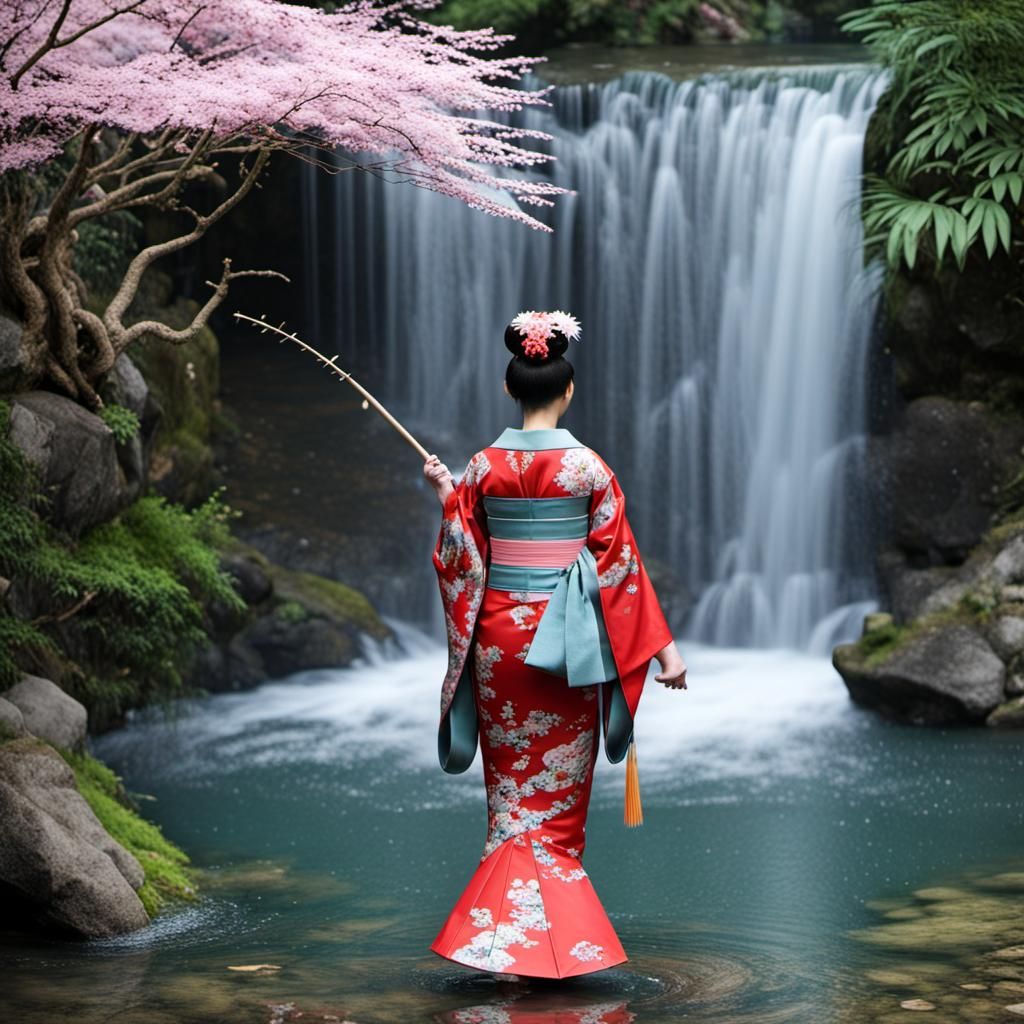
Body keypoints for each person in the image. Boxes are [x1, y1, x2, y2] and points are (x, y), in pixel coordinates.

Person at [423, 309, 688, 980]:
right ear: (566, 391)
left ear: (512, 389)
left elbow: (462, 555)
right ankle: (552, 949)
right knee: (556, 811)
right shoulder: (586, 468)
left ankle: (504, 948)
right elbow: (620, 566)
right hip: (567, 647)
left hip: (499, 648)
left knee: (512, 803)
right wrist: (664, 653)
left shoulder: (483, 466)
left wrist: (447, 495)